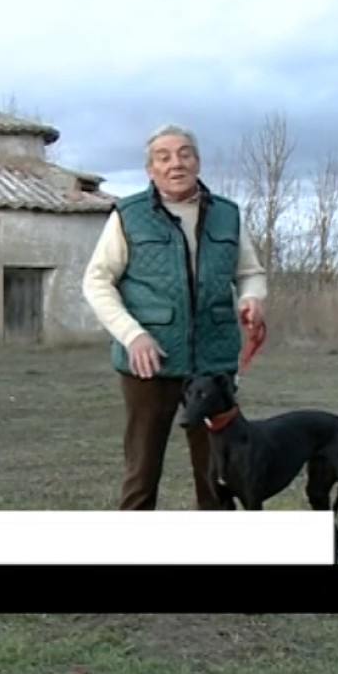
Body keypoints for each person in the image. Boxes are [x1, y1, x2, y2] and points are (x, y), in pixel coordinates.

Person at [81, 123, 268, 510]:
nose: (175, 163)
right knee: (141, 475)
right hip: (149, 364)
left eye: (184, 154)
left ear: (197, 162)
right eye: (163, 157)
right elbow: (97, 282)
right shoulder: (127, 215)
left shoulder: (228, 215)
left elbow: (249, 272)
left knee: (219, 474)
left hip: (212, 367)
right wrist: (132, 335)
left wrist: (252, 298)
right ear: (150, 170)